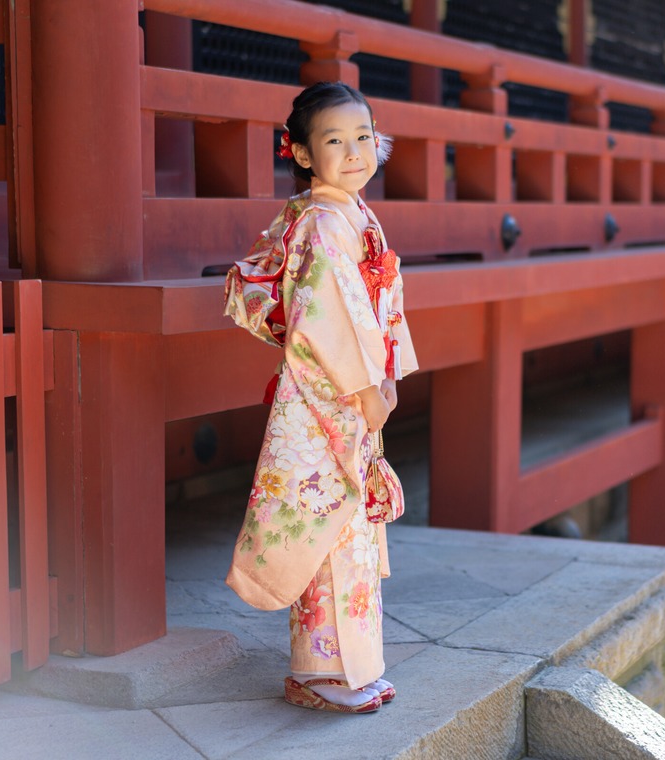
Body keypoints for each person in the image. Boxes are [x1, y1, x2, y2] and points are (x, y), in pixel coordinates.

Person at [223, 82, 418, 714]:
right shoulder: (323, 222)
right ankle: (319, 673)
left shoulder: (352, 212)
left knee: (352, 526)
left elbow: (374, 306)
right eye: (335, 140)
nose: (355, 150)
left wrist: (384, 375)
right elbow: (326, 314)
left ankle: (355, 667)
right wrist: (366, 386)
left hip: (353, 390)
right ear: (303, 154)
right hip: (327, 393)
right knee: (329, 524)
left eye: (364, 136)